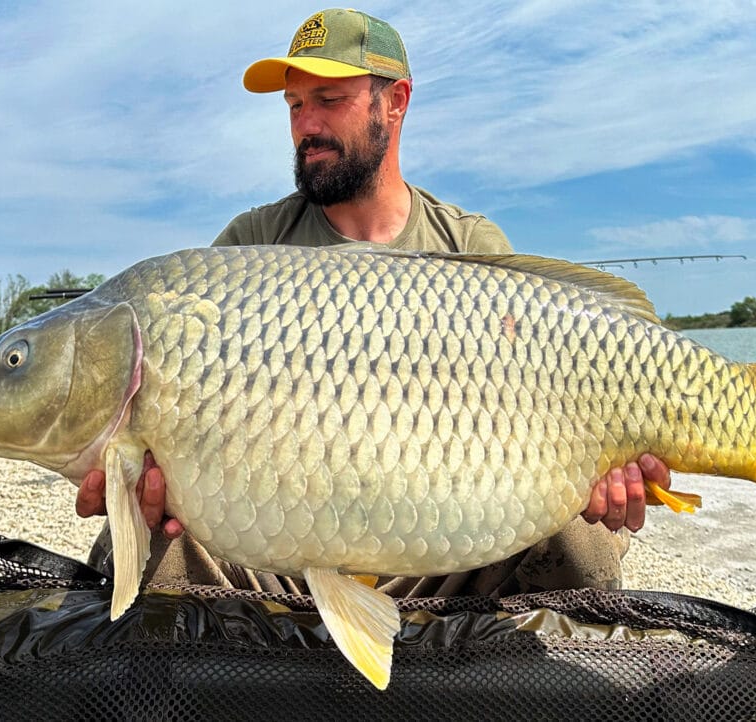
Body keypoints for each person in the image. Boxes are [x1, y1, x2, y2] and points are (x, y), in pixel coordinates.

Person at [76, 8, 671, 597]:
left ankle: (495, 687)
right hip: (276, 560)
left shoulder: (469, 246)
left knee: (577, 534)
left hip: (443, 560)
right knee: (142, 538)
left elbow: (545, 419)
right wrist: (142, 484)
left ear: (396, 101)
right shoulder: (249, 247)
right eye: (293, 106)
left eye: (327, 99)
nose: (305, 123)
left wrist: (603, 475)